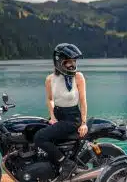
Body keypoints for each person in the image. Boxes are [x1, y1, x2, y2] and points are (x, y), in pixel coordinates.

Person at [34, 43, 88, 181]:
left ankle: (66, 164)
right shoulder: (50, 79)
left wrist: (83, 123)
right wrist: (52, 117)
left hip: (71, 119)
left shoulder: (78, 77)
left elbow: (83, 101)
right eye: (68, 61)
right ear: (58, 61)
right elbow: (50, 99)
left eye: (74, 61)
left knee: (39, 137)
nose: (72, 64)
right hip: (58, 116)